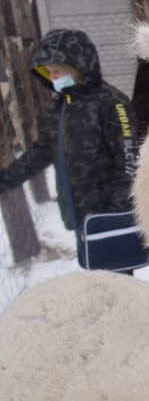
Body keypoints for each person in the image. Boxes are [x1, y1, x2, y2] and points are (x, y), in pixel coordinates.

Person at [0, 29, 140, 268]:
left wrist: (116, 211)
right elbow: (42, 151)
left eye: (57, 70)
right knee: (94, 276)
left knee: (117, 280)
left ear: (78, 67)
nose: (53, 77)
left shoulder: (111, 103)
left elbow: (127, 160)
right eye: (48, 72)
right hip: (80, 214)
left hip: (107, 216)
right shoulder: (60, 106)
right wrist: (5, 180)